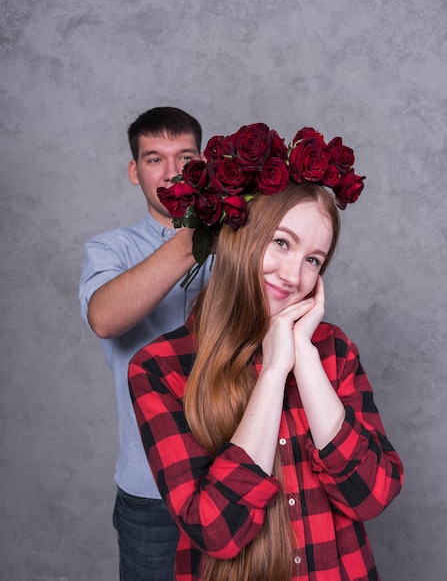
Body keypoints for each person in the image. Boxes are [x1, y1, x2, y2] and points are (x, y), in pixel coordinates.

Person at [128, 122, 404, 581]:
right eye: (281, 243)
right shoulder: (159, 368)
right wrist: (274, 371)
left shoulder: (333, 350)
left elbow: (371, 495)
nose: (294, 275)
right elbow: (216, 532)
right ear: (241, 238)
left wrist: (304, 355)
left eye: (313, 260)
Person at [79, 107, 213, 580]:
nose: (173, 172)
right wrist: (194, 234)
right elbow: (105, 317)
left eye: (186, 157)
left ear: (205, 164)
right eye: (155, 159)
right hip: (153, 496)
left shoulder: (242, 243)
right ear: (135, 172)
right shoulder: (109, 250)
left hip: (242, 480)